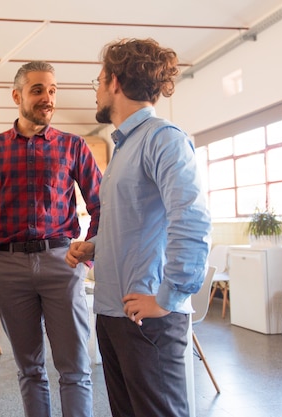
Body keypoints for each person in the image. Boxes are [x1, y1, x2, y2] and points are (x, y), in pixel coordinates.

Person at [65, 38, 211, 417]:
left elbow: (192, 221)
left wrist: (168, 298)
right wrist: (95, 245)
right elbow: (137, 220)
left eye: (97, 81)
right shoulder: (123, 148)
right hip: (115, 313)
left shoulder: (163, 140)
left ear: (114, 82)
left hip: (149, 317)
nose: (96, 92)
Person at [0, 61, 101, 417]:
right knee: (29, 369)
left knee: (74, 369)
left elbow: (102, 205)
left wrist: (86, 256)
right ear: (17, 95)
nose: (48, 98)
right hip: (9, 267)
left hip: (61, 261)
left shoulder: (73, 146)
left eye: (52, 90)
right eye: (38, 89)